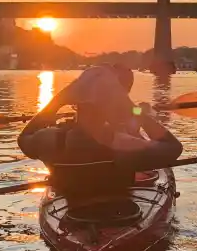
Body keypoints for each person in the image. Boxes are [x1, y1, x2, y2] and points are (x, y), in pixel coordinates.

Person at [17, 64, 183, 199]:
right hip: (120, 214)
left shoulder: (49, 140)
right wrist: (133, 110)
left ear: (75, 101)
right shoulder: (124, 144)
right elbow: (173, 147)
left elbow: (23, 138)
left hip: (73, 216)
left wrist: (56, 102)